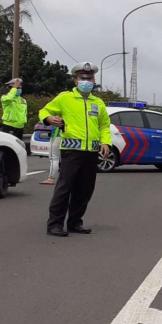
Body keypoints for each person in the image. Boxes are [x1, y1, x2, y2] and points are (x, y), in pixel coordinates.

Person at [39, 62, 111, 237]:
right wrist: (48, 118)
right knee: (64, 188)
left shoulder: (98, 102)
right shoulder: (65, 98)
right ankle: (55, 224)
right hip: (71, 151)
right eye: (82, 78)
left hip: (91, 152)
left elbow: (104, 125)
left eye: (89, 78)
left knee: (85, 189)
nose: (86, 81)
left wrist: (106, 142)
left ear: (94, 80)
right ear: (75, 81)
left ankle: (75, 222)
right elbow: (45, 110)